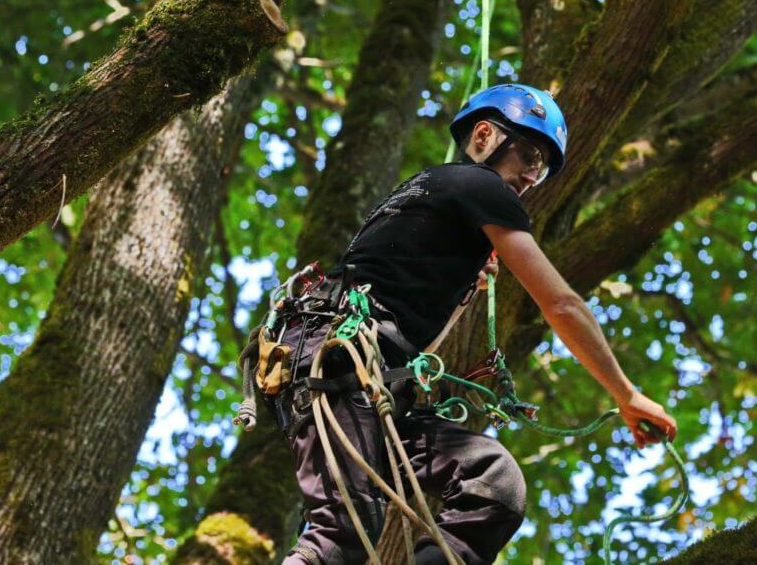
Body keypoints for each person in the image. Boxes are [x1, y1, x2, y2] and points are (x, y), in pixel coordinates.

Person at [279, 83, 677, 565]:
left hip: (370, 376)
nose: (532, 175)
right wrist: (626, 394)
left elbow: (411, 330)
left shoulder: (437, 195)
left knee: (492, 484)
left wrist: (463, 286)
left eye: (543, 167)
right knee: (341, 536)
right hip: (340, 365)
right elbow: (561, 304)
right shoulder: (479, 185)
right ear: (485, 136)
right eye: (529, 154)